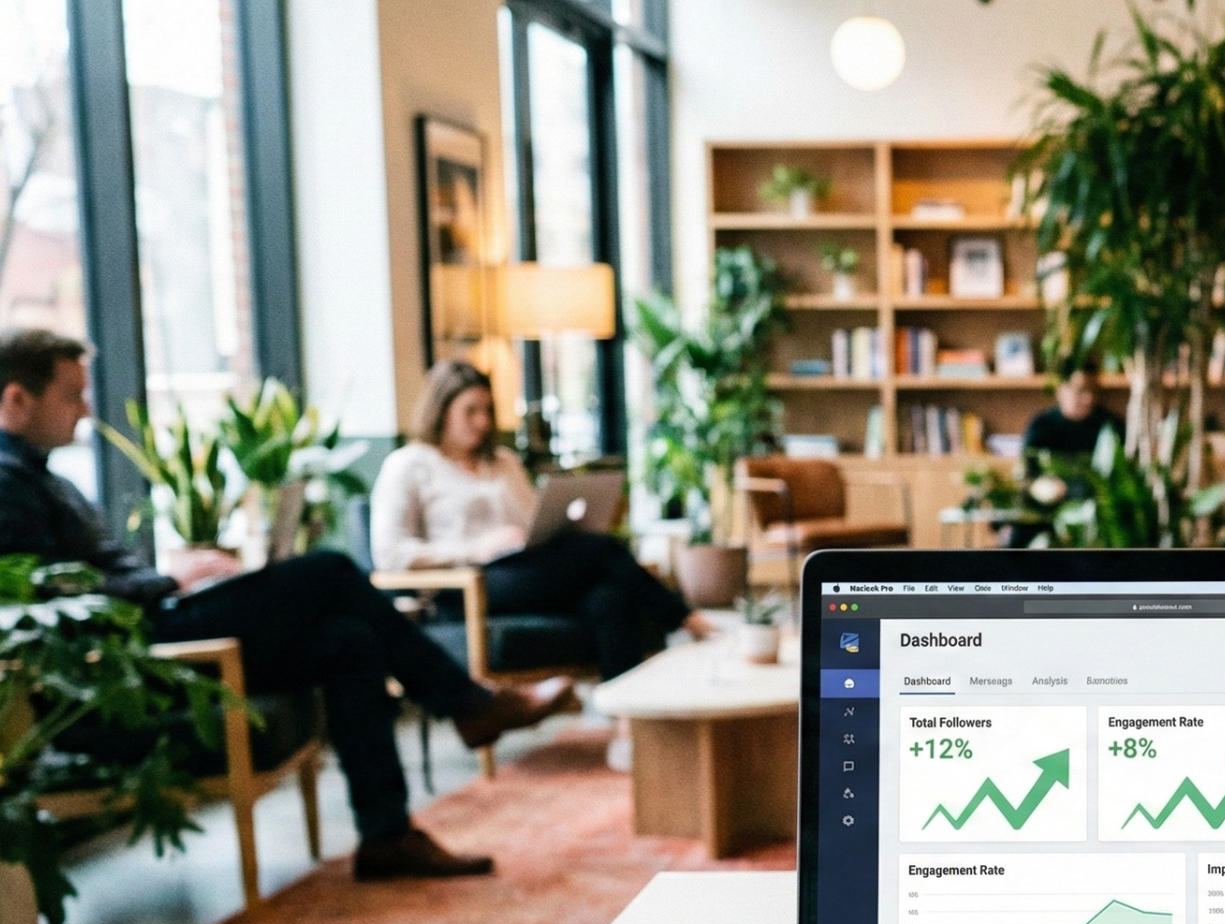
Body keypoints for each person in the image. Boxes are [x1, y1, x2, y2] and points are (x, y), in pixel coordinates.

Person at [0, 328, 576, 881]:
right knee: (329, 570)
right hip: (134, 662)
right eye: (72, 394)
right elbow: (55, 599)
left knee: (349, 643)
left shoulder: (43, 478)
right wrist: (166, 582)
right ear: (16, 401)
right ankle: (469, 704)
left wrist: (177, 574)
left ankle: (387, 837)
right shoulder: (6, 485)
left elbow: (92, 574)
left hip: (155, 627)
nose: (84, 410)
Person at [371, 361, 705, 683]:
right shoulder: (408, 465)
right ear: (440, 410)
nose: (483, 422)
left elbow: (534, 523)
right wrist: (473, 549)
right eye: (470, 411)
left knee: (610, 596)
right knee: (604, 550)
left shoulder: (503, 462)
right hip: (464, 587)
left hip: (523, 573)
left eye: (487, 410)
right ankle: (684, 618)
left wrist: (551, 530)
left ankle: (626, 720)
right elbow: (390, 554)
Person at [1020, 368, 1119, 460]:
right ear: (1060, 390)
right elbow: (1028, 470)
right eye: (1081, 390)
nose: (1089, 398)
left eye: (1094, 390)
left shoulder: (1111, 425)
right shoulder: (1041, 426)